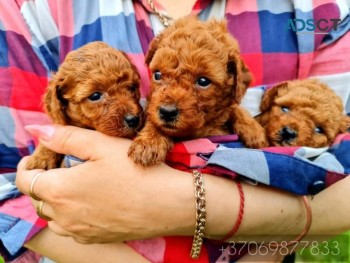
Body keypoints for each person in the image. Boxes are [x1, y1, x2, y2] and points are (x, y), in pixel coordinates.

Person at [1, 0, 350, 262]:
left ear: (235, 85)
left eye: (202, 82)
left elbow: (334, 170)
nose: (165, 102)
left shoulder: (316, 9)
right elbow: (6, 184)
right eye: (158, 77)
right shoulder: (31, 9)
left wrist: (200, 210)